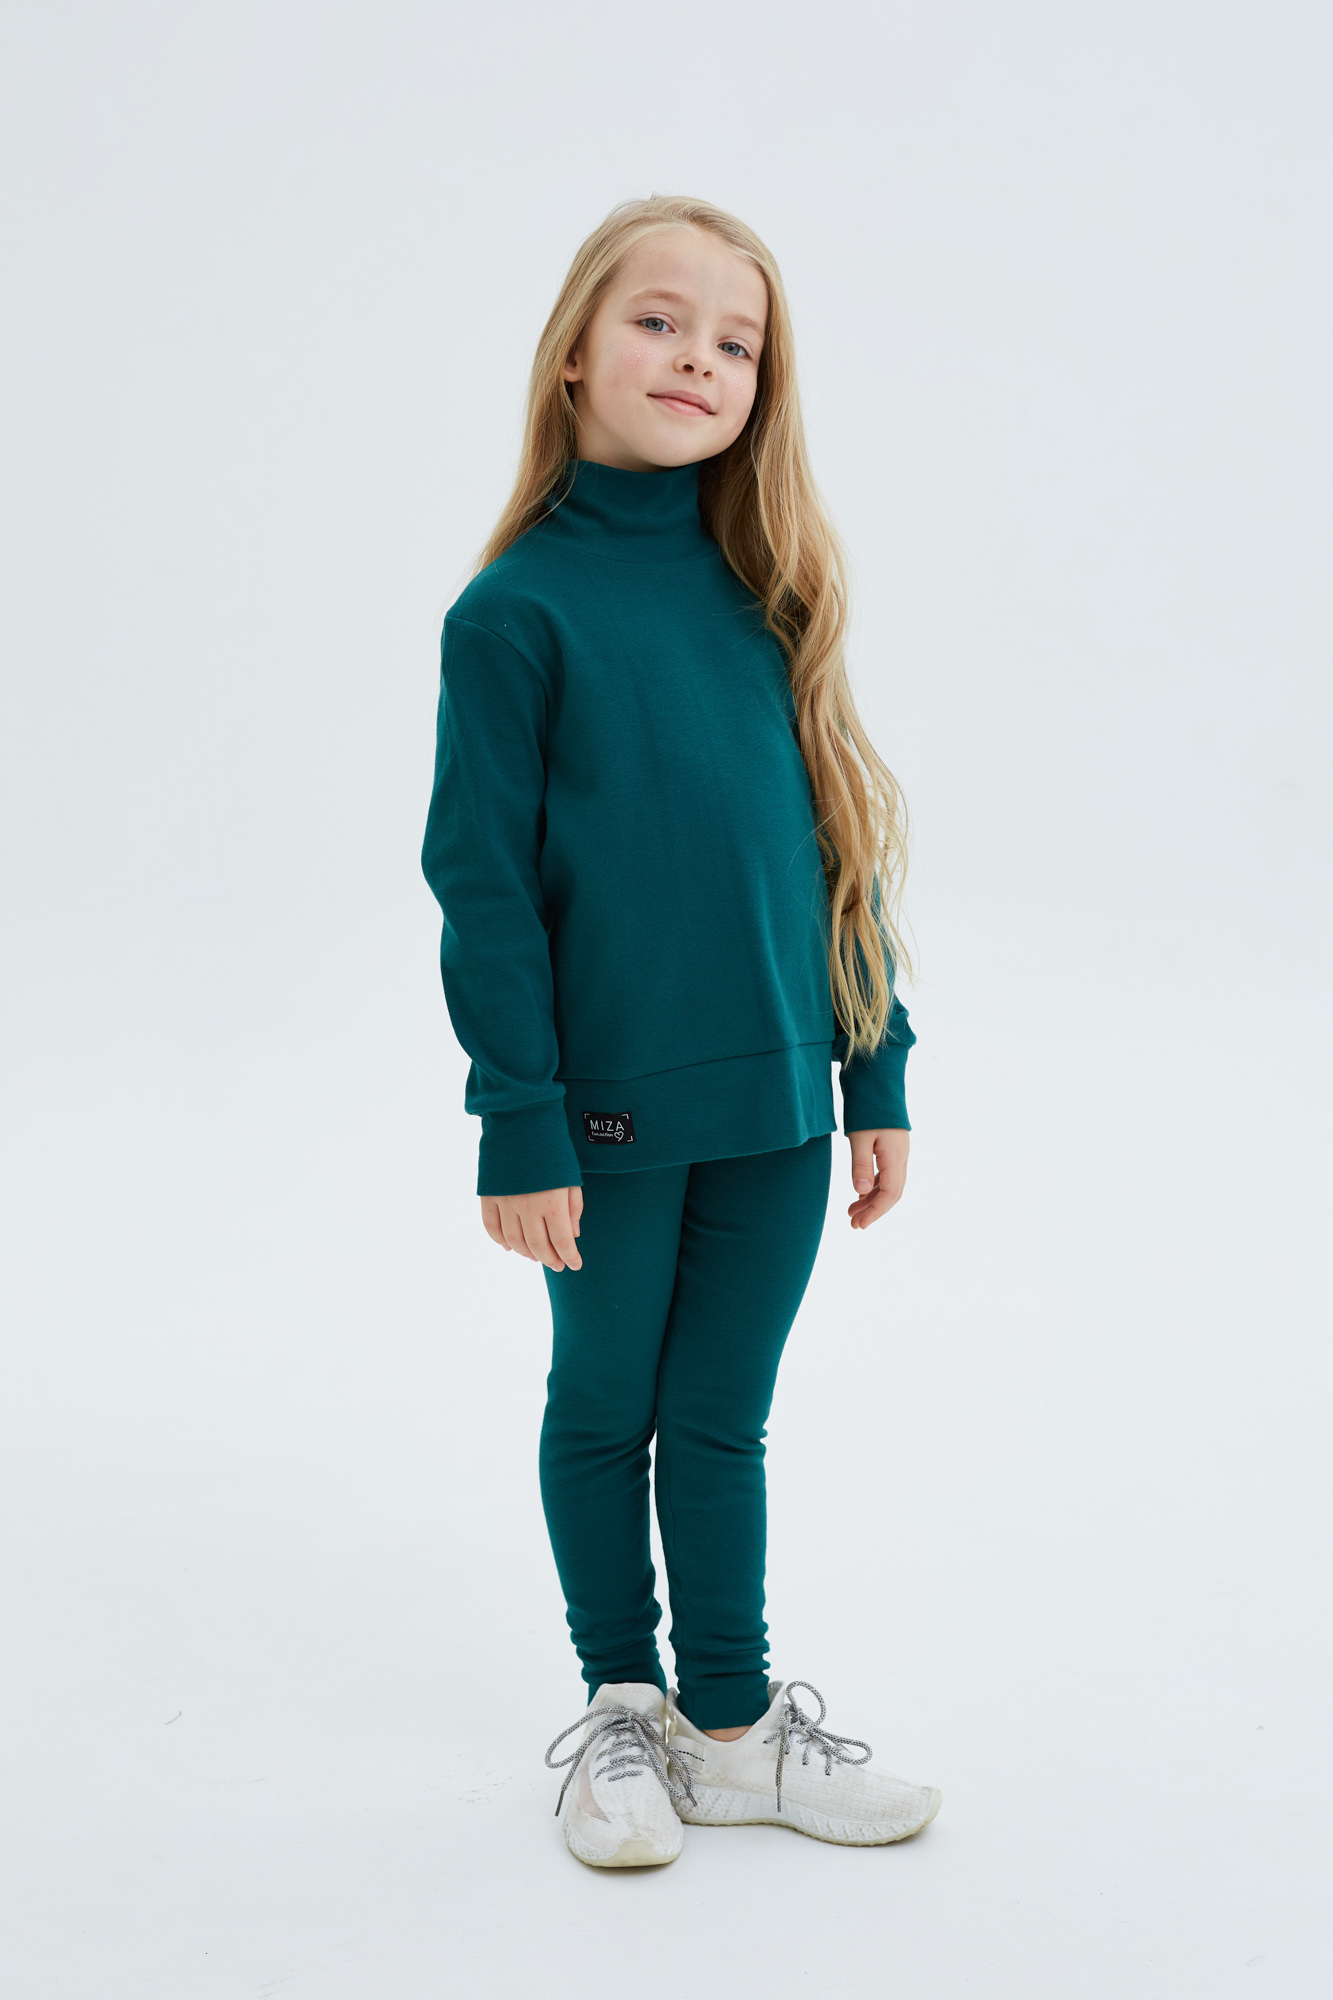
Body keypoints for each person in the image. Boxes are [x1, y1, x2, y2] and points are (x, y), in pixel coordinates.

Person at [421, 195, 941, 1867]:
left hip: (782, 1101)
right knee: (606, 1408)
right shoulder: (514, 615)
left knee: (721, 1419)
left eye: (735, 341)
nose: (697, 358)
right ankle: (621, 1712)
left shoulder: (771, 592)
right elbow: (485, 891)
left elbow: (836, 853)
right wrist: (520, 1120)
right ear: (574, 352)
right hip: (608, 1111)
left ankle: (731, 1727)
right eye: (658, 320)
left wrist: (874, 1066)